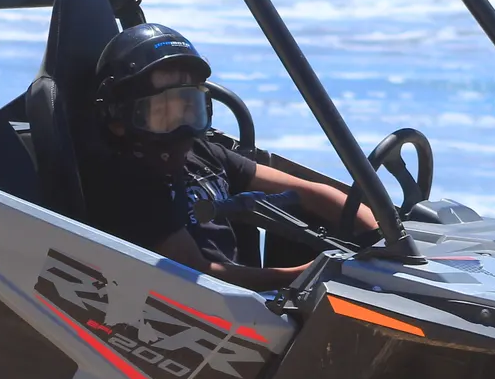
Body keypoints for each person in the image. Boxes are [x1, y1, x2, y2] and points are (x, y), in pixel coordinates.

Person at [78, 24, 376, 291]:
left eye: (189, 109)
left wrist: (377, 237)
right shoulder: (128, 186)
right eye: (163, 114)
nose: (182, 126)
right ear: (120, 119)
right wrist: (305, 275)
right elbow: (198, 275)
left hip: (246, 295)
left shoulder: (203, 153)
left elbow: (305, 192)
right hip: (208, 308)